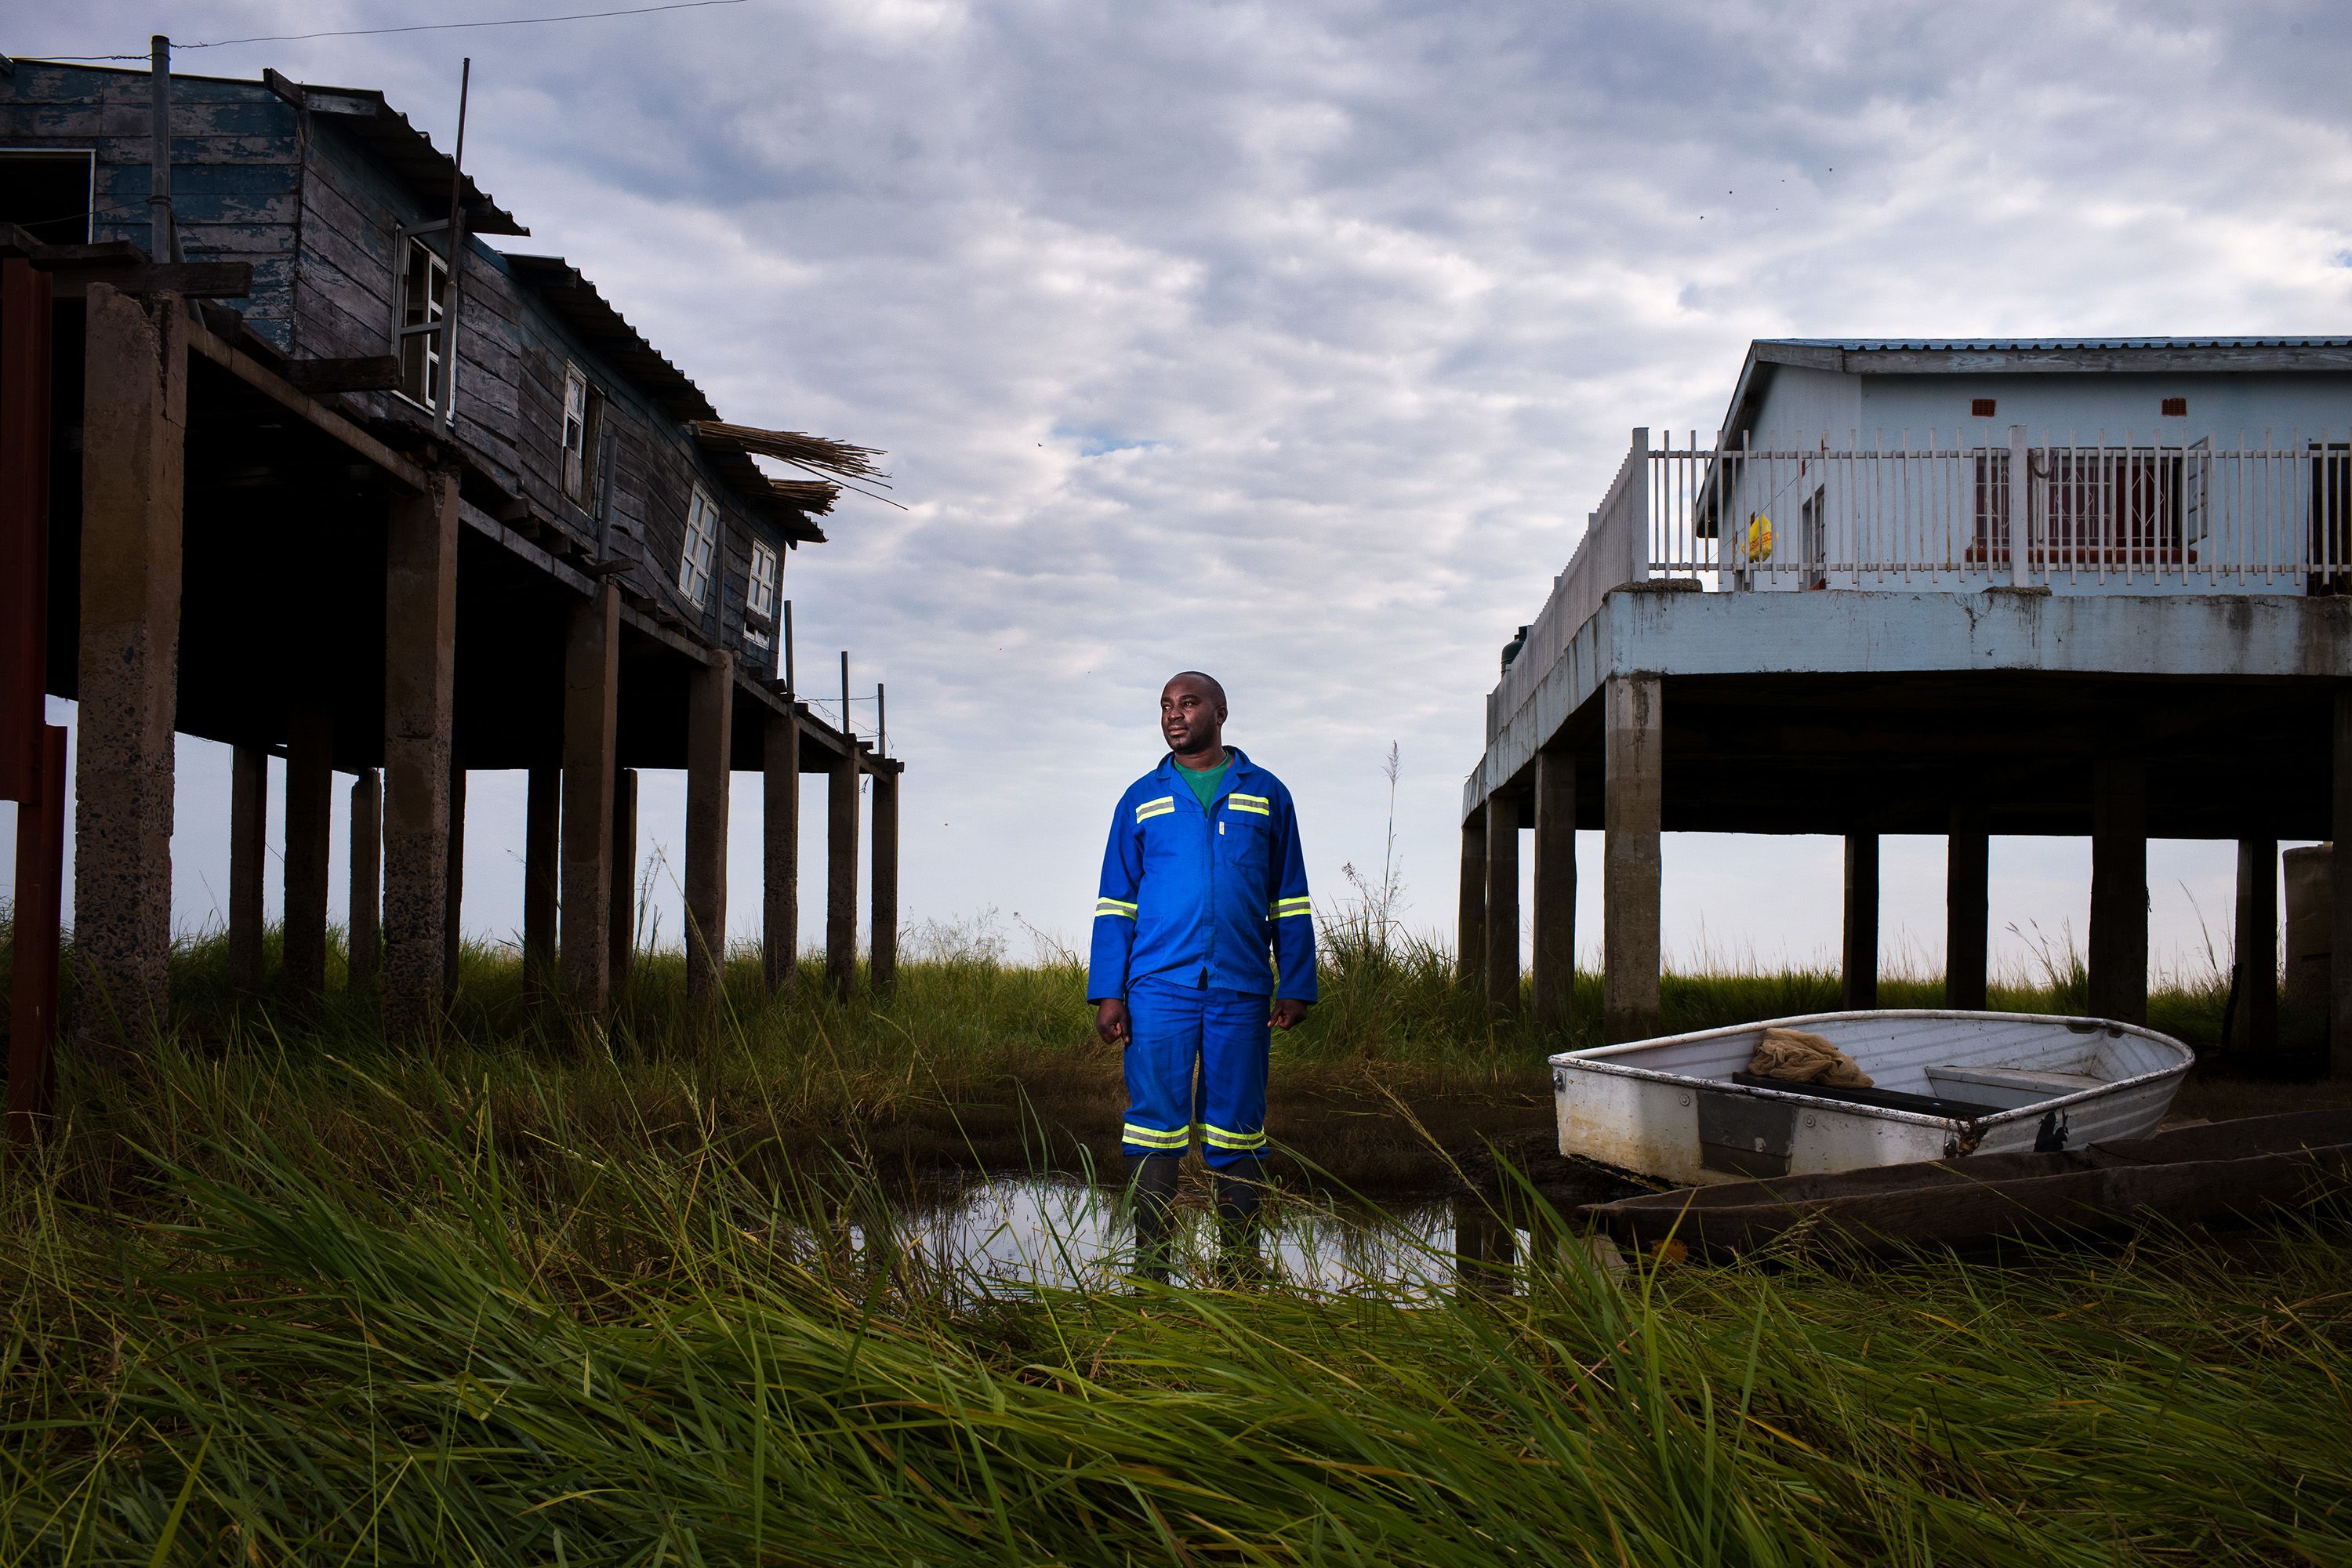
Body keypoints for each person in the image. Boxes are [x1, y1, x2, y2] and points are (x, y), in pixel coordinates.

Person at [1089, 671, 1316, 1282]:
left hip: (1240, 988)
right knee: (1153, 1123)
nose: (1174, 715)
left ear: (1220, 711)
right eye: (1166, 706)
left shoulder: (1266, 793)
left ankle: (1239, 1267)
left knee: (1238, 1125)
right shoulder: (1141, 798)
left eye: (1188, 704)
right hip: (1158, 986)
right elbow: (1117, 902)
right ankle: (1151, 1269)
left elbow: (1288, 898)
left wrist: (1296, 981)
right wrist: (1110, 991)